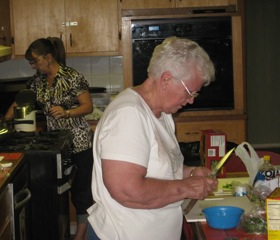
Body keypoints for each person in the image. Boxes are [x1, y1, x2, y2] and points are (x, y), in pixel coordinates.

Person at [87, 36, 218, 240]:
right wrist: (185, 188)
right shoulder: (128, 114)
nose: (191, 100)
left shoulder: (163, 114)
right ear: (166, 79)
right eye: (189, 91)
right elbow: (126, 190)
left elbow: (158, 169)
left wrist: (190, 173)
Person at [5, 37, 94, 240]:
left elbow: (87, 106)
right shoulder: (38, 81)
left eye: (35, 61)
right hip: (55, 145)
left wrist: (67, 112)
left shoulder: (72, 77)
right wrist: (4, 122)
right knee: (58, 192)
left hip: (79, 143)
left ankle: (80, 235)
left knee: (82, 193)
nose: (33, 65)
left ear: (48, 57)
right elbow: (20, 101)